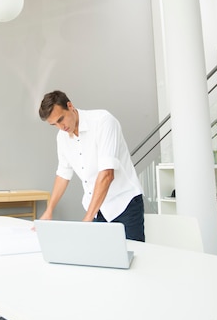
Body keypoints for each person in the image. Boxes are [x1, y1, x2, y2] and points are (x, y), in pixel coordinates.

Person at [38, 90, 145, 241]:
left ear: (70, 106)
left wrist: (87, 219)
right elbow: (63, 174)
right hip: (97, 209)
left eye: (61, 119)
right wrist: (49, 211)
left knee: (133, 257)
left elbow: (107, 175)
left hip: (124, 205)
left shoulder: (103, 122)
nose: (61, 127)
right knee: (98, 261)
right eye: (54, 124)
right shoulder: (62, 138)